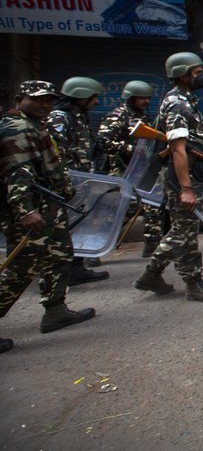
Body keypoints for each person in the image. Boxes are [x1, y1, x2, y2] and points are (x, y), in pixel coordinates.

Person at [1, 81, 97, 353]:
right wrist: (25, 210)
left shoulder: (36, 125)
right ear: (20, 98)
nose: (45, 105)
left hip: (49, 206)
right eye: (38, 99)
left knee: (60, 256)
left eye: (49, 100)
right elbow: (17, 172)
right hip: (31, 211)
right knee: (20, 271)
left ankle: (55, 311)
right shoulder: (15, 128)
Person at [133, 52, 203, 302]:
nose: (202, 75)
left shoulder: (186, 100)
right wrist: (186, 188)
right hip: (182, 177)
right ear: (183, 75)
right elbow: (178, 148)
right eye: (197, 72)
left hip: (191, 173)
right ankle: (193, 282)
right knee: (186, 230)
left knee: (181, 228)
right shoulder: (177, 103)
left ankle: (152, 274)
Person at [47, 76, 109, 285]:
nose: (97, 102)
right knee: (64, 228)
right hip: (68, 184)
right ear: (80, 96)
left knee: (79, 224)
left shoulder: (79, 117)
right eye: (93, 97)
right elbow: (56, 154)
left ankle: (76, 267)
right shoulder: (59, 118)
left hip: (82, 182)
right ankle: (59, 274)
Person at [96, 80, 162, 257]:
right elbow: (103, 142)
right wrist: (132, 150)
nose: (146, 102)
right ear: (131, 98)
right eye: (142, 98)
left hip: (141, 170)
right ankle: (96, 246)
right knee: (121, 209)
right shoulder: (117, 117)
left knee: (152, 206)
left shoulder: (143, 117)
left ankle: (152, 246)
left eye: (148, 98)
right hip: (121, 171)